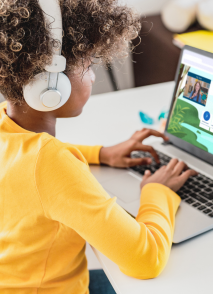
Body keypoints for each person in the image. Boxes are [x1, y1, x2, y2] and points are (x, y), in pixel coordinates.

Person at [0, 1, 197, 293]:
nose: (92, 76)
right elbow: (146, 259)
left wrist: (101, 154)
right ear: (50, 84)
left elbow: (31, 163)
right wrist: (158, 192)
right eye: (89, 65)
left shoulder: (10, 127)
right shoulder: (53, 163)